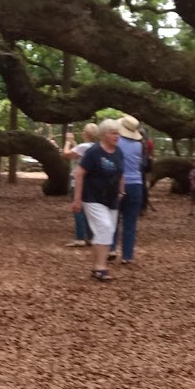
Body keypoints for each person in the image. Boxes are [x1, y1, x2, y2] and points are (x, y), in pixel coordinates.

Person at [74, 120, 125, 282]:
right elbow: (79, 173)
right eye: (113, 133)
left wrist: (121, 189)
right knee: (104, 226)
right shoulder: (94, 152)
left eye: (118, 133)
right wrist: (77, 199)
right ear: (104, 135)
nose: (117, 136)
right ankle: (101, 267)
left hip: (111, 198)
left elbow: (121, 172)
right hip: (93, 197)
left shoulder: (118, 152)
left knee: (106, 231)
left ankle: (96, 266)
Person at [114, 116, 148, 263]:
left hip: (119, 183)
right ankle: (127, 256)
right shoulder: (139, 145)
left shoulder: (117, 142)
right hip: (136, 184)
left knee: (114, 217)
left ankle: (111, 248)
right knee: (130, 221)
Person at [63, 123, 100, 247]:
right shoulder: (97, 147)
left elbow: (67, 154)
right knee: (89, 209)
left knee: (78, 208)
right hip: (92, 183)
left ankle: (80, 237)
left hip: (79, 181)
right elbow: (80, 155)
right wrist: (75, 143)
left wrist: (68, 142)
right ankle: (90, 236)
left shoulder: (83, 146)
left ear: (86, 134)